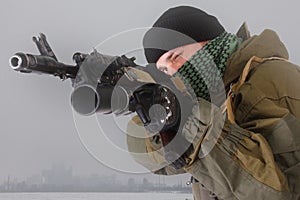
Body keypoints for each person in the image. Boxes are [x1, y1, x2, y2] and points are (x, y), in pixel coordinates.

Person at [126, 6, 300, 200]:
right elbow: (163, 161)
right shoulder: (217, 97)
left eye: (175, 57)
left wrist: (195, 127)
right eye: (164, 70)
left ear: (210, 42)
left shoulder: (272, 81)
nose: (173, 72)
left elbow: (282, 193)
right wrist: (154, 111)